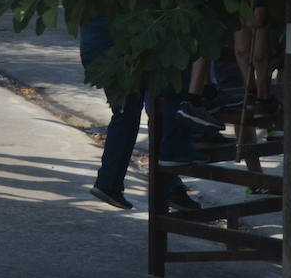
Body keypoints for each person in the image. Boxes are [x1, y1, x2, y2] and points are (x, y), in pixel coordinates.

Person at [78, 16, 201, 211]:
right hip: (118, 52)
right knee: (165, 97)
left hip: (103, 50)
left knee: (127, 113)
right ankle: (169, 177)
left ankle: (112, 183)